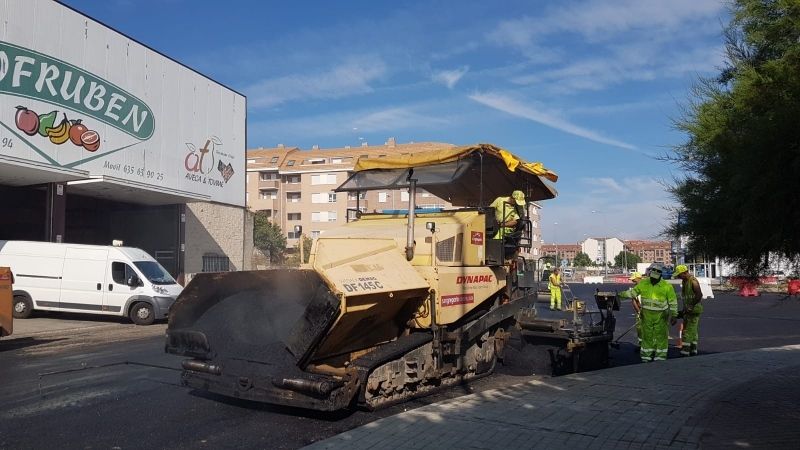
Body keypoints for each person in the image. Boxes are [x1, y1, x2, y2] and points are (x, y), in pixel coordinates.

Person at [619, 263, 677, 362]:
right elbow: (633, 293)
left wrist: (674, 315)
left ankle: (660, 357)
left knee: (661, 337)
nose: (653, 279)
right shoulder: (644, 283)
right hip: (647, 316)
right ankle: (646, 357)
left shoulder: (667, 286)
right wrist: (619, 295)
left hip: (661, 316)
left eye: (655, 278)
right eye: (652, 277)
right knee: (647, 337)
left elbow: (673, 302)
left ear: (660, 275)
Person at [673, 264, 703, 356]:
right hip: (688, 310)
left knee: (688, 331)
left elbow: (699, 295)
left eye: (679, 275)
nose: (678, 277)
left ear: (685, 272)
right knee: (693, 331)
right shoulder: (684, 281)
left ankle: (685, 351)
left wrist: (691, 306)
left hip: (694, 310)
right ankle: (693, 350)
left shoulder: (693, 281)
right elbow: (685, 296)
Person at [628, 271, 643, 349]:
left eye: (634, 279)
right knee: (639, 329)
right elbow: (634, 301)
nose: (632, 281)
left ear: (638, 278)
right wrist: (639, 312)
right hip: (639, 311)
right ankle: (641, 346)